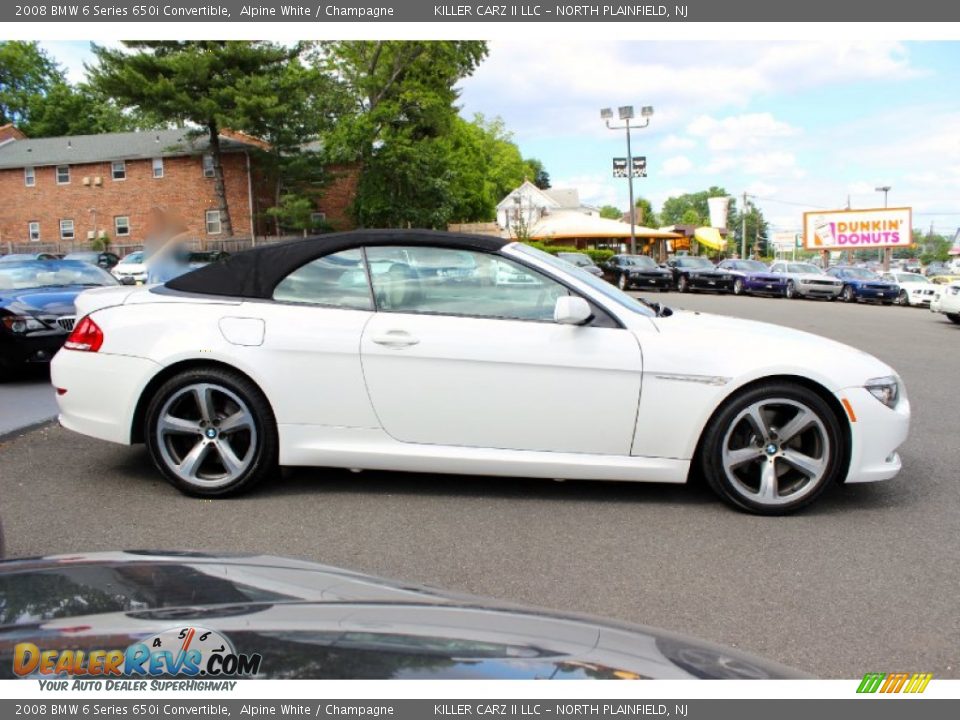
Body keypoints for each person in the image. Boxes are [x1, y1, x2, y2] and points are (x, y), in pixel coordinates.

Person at [144, 208, 192, 284]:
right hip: (155, 278)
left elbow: (184, 257)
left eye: (156, 220)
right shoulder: (151, 239)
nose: (154, 224)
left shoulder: (173, 236)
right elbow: (148, 263)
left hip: (171, 276)